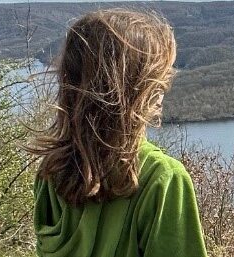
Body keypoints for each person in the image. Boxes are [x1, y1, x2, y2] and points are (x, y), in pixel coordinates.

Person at [27, 8, 207, 257]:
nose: (164, 89)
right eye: (158, 80)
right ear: (136, 92)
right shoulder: (162, 180)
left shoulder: (51, 172)